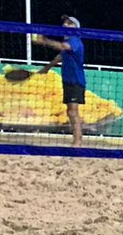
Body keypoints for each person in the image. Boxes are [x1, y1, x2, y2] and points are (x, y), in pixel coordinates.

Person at [31, 15, 86, 147]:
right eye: (65, 23)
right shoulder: (68, 43)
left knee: (73, 111)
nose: (66, 25)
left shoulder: (75, 40)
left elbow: (62, 46)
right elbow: (59, 56)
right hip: (68, 80)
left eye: (70, 23)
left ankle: (77, 141)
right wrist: (46, 68)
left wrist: (44, 41)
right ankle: (78, 138)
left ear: (76, 28)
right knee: (70, 111)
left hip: (76, 81)